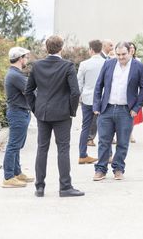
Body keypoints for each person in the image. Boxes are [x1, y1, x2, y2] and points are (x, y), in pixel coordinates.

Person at [24, 35, 84, 197]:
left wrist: (36, 109)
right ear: (61, 48)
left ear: (46, 48)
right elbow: (75, 92)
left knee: (42, 149)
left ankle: (39, 187)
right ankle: (65, 187)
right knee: (63, 149)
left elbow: (28, 91)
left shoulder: (37, 66)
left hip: (42, 113)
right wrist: (71, 111)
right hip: (62, 114)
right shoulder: (68, 66)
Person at [92, 41, 143, 181]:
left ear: (130, 52)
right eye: (118, 54)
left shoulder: (139, 67)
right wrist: (96, 106)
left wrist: (136, 108)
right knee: (104, 141)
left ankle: (118, 168)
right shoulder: (108, 64)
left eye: (123, 54)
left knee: (123, 142)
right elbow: (99, 86)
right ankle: (100, 169)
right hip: (107, 109)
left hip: (126, 111)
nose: (121, 57)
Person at [2, 47, 33, 188]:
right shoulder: (15, 75)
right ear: (20, 58)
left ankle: (16, 172)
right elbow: (31, 90)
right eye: (26, 57)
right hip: (18, 113)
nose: (27, 59)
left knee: (17, 145)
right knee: (14, 145)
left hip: (20, 112)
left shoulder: (15, 73)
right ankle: (8, 177)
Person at [76, 40, 105, 164]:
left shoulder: (84, 64)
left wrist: (80, 96)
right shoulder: (107, 63)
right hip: (103, 99)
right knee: (104, 127)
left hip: (87, 99)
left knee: (85, 127)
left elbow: (79, 83)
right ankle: (106, 155)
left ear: (91, 50)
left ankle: (82, 154)